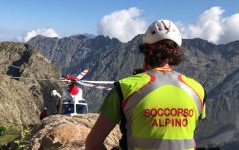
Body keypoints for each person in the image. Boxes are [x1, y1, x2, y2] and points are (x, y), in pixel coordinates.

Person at [85, 19, 206, 150]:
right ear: (175, 53)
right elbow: (189, 137)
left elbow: (92, 144)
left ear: (147, 51)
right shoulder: (197, 90)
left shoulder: (125, 88)